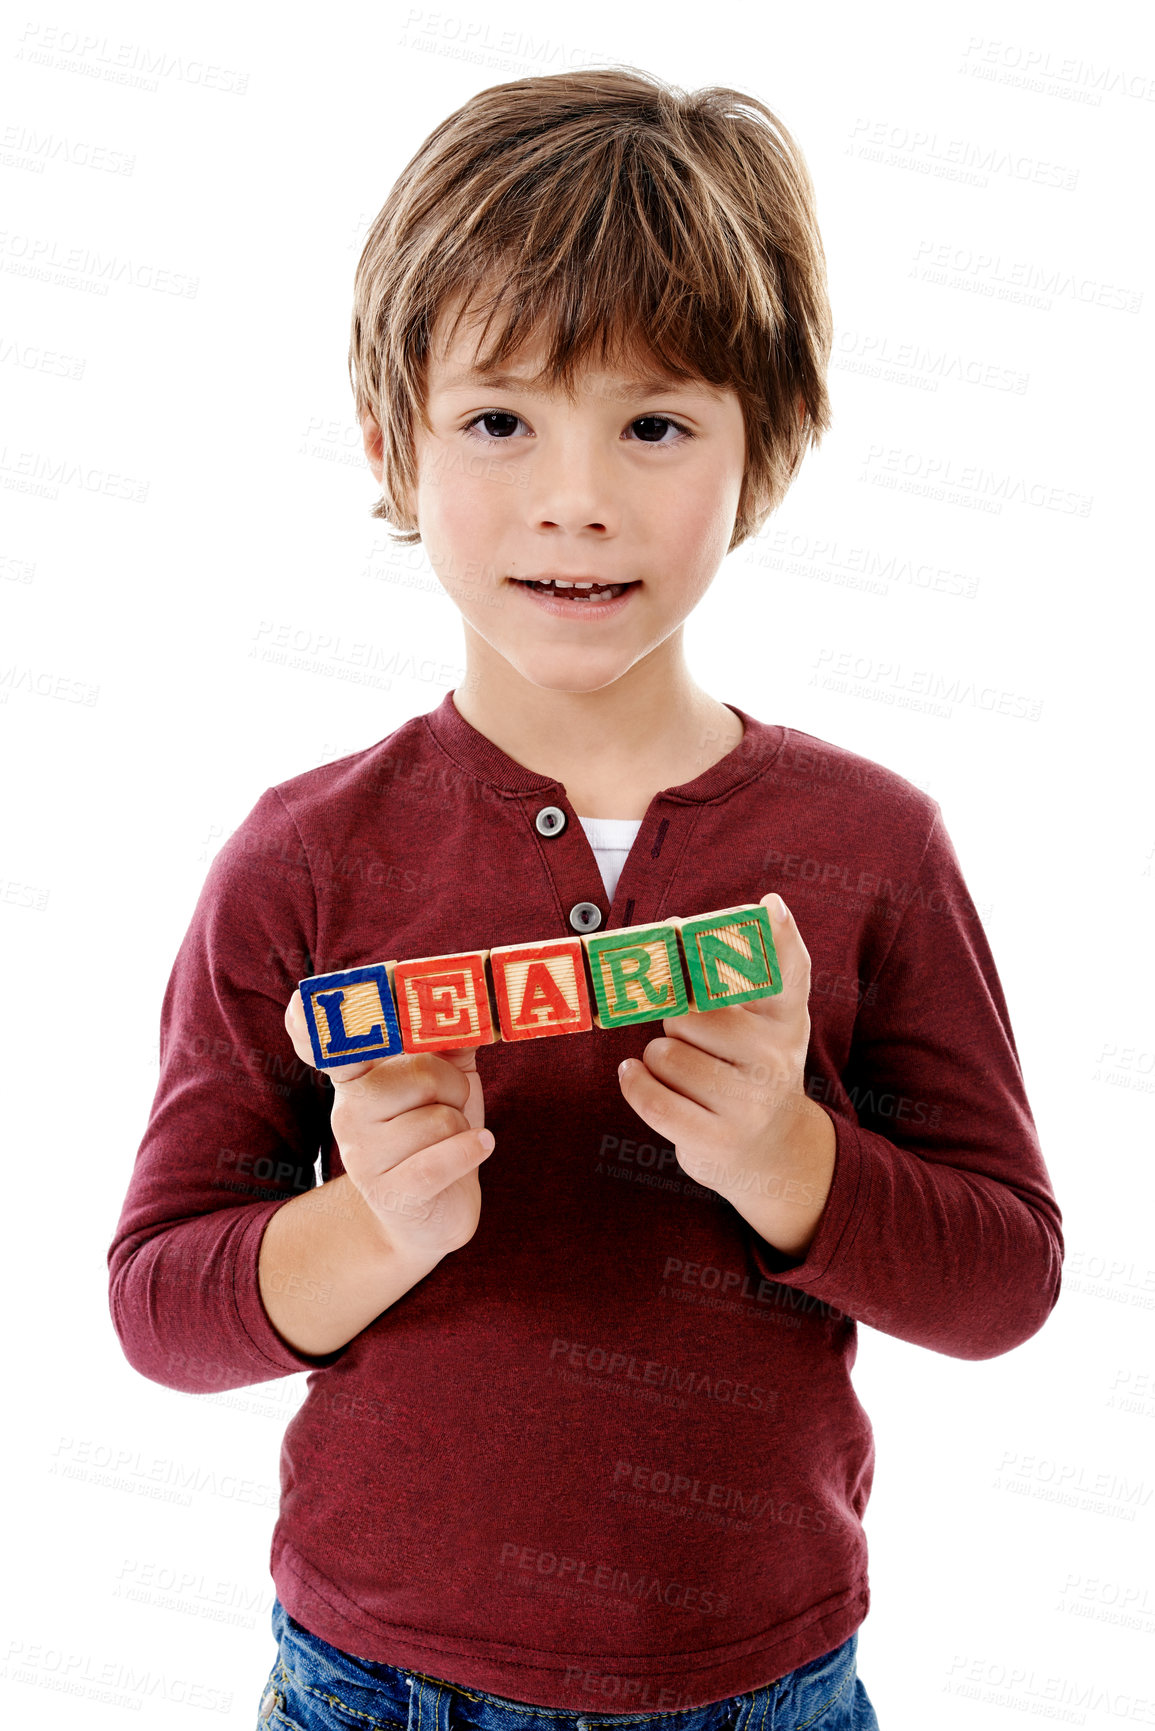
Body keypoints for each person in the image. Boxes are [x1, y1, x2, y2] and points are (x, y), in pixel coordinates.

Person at [106, 65, 1063, 1731]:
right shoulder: (301, 855)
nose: (578, 496)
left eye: (657, 423)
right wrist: (368, 1224)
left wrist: (789, 1159)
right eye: (499, 419)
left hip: (762, 1679)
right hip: (377, 1683)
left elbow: (1006, 1280)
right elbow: (160, 1306)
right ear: (392, 436)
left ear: (764, 451)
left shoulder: (877, 844)